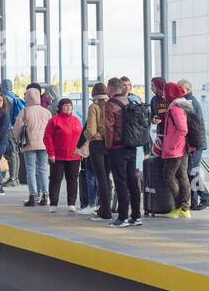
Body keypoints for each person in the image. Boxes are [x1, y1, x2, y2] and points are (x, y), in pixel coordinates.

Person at [104, 77, 143, 227]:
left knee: (120, 181)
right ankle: (136, 216)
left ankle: (122, 217)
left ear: (111, 88)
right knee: (132, 181)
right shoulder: (130, 101)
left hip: (117, 148)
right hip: (131, 145)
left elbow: (109, 128)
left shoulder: (111, 104)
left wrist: (108, 146)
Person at [12, 86, 51, 206]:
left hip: (29, 144)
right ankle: (45, 195)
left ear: (28, 97)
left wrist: (16, 138)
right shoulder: (46, 111)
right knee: (43, 169)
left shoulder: (25, 111)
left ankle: (33, 195)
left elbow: (17, 127)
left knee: (31, 169)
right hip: (44, 145)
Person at [179, 78, 209, 210]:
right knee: (192, 171)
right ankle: (193, 201)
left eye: (181, 89)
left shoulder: (189, 102)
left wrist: (191, 144)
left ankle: (205, 197)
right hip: (196, 142)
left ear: (188, 90)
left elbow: (192, 125)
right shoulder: (189, 101)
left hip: (195, 143)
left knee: (192, 171)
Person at [44, 98, 84, 213]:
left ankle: (71, 203)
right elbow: (47, 137)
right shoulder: (54, 121)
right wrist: (51, 153)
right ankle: (53, 203)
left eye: (70, 106)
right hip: (58, 156)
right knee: (56, 179)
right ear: (60, 107)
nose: (68, 108)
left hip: (74, 156)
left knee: (72, 179)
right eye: (66, 106)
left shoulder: (76, 120)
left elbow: (81, 137)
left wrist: (81, 151)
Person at [158, 81, 192, 217]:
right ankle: (184, 208)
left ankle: (181, 206)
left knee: (168, 175)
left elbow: (182, 129)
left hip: (176, 149)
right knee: (182, 176)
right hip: (180, 147)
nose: (164, 95)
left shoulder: (175, 108)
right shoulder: (179, 106)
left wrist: (173, 145)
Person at [81, 83, 112, 220]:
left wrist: (88, 138)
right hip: (110, 145)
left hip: (97, 145)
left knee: (100, 178)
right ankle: (108, 206)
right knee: (107, 177)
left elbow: (91, 130)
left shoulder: (94, 107)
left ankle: (104, 210)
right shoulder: (111, 105)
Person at [0, 79, 25, 186]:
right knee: (15, 153)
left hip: (7, 129)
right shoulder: (16, 97)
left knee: (10, 153)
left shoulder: (6, 99)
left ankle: (12, 178)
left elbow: (4, 115)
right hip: (16, 128)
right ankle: (15, 178)